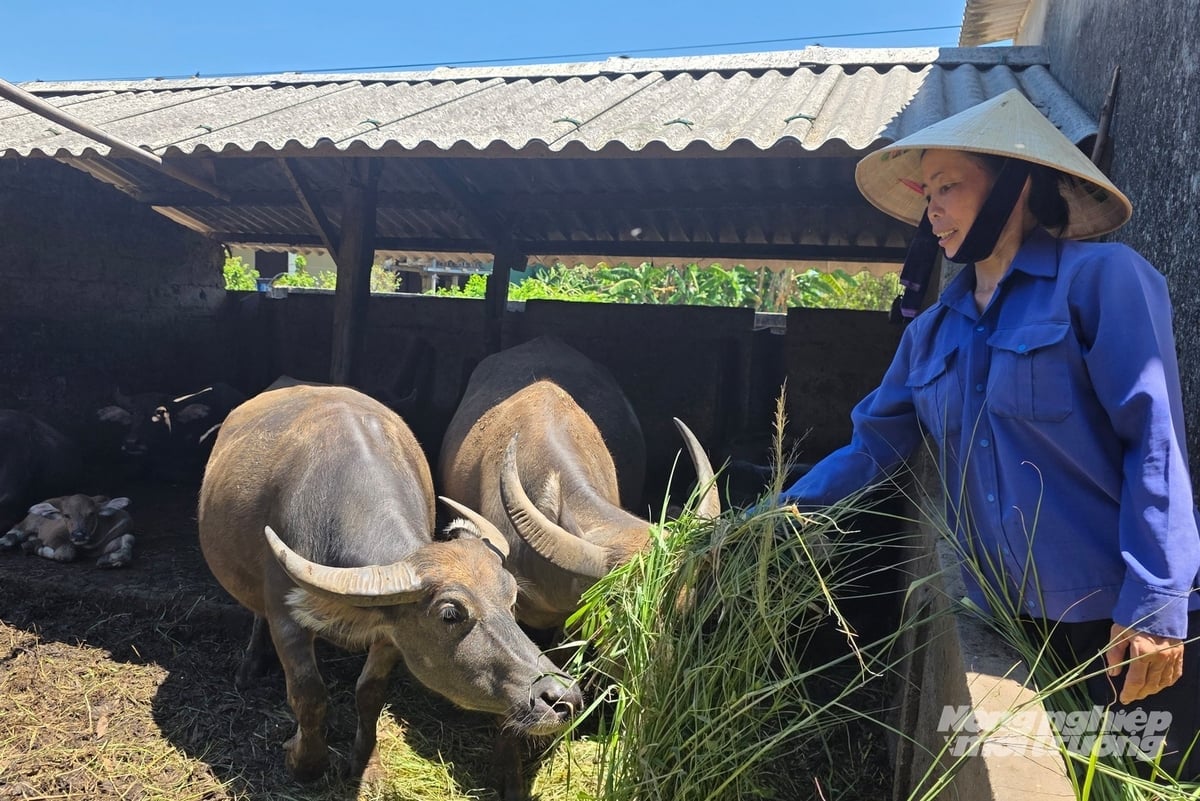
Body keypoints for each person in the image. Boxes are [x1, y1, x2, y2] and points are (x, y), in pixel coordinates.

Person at [775, 89, 1200, 780]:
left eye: (948, 186)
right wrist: (771, 518)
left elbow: (1154, 441)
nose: (932, 209)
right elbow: (872, 448)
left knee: (1137, 777)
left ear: (1015, 188)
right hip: (1005, 625)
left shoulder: (1102, 281)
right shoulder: (930, 332)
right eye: (927, 192)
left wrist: (1156, 603)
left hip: (1113, 630)